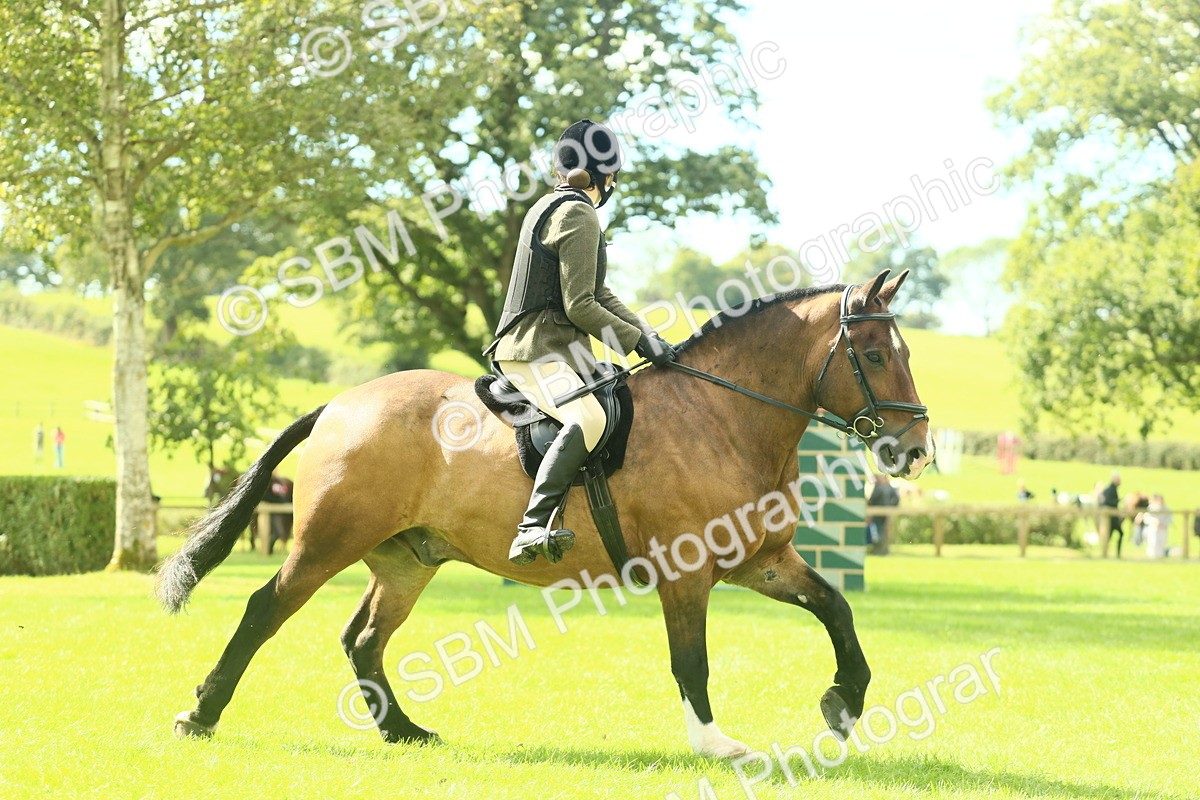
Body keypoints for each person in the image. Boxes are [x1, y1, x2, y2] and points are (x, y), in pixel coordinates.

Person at [482, 119, 676, 567]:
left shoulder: (552, 204)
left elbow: (599, 293)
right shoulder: (577, 213)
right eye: (614, 174)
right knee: (587, 418)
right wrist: (637, 345)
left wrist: (646, 335)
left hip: (549, 348)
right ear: (604, 175)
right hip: (534, 349)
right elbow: (580, 307)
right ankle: (531, 528)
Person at [866, 473, 900, 554]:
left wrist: (869, 503)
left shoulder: (878, 487)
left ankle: (878, 550)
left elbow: (872, 500)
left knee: (877, 531)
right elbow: (896, 498)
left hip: (877, 513)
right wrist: (891, 507)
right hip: (886, 513)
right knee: (884, 531)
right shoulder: (889, 487)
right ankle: (884, 550)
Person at [1142, 494, 1172, 559]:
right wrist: (1154, 521)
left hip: (1163, 528)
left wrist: (1163, 523)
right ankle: (1152, 556)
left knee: (1162, 542)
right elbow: (1146, 517)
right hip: (1153, 528)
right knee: (1153, 542)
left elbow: (1169, 518)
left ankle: (1160, 556)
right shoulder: (1152, 508)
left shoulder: (1166, 508)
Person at [1099, 472, 1122, 557]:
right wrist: (1118, 501)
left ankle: (1108, 553)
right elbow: (1107, 502)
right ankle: (1112, 553)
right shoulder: (1110, 489)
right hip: (1111, 517)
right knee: (1117, 534)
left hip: (1112, 517)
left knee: (1112, 535)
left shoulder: (1113, 489)